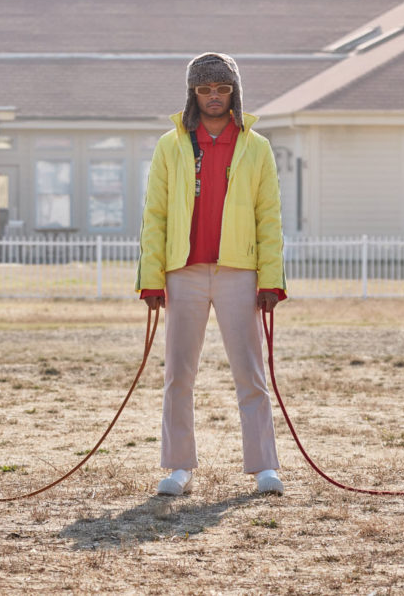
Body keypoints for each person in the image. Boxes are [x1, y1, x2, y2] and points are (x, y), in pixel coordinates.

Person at [136, 52, 287, 497]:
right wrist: (152, 278)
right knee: (178, 374)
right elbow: (155, 215)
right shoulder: (171, 144)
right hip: (182, 271)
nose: (214, 97)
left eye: (222, 89)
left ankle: (264, 467)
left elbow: (270, 217)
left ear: (234, 92)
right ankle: (179, 467)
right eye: (205, 89)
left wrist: (270, 280)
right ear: (193, 93)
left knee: (250, 373)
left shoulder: (256, 147)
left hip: (240, 271)